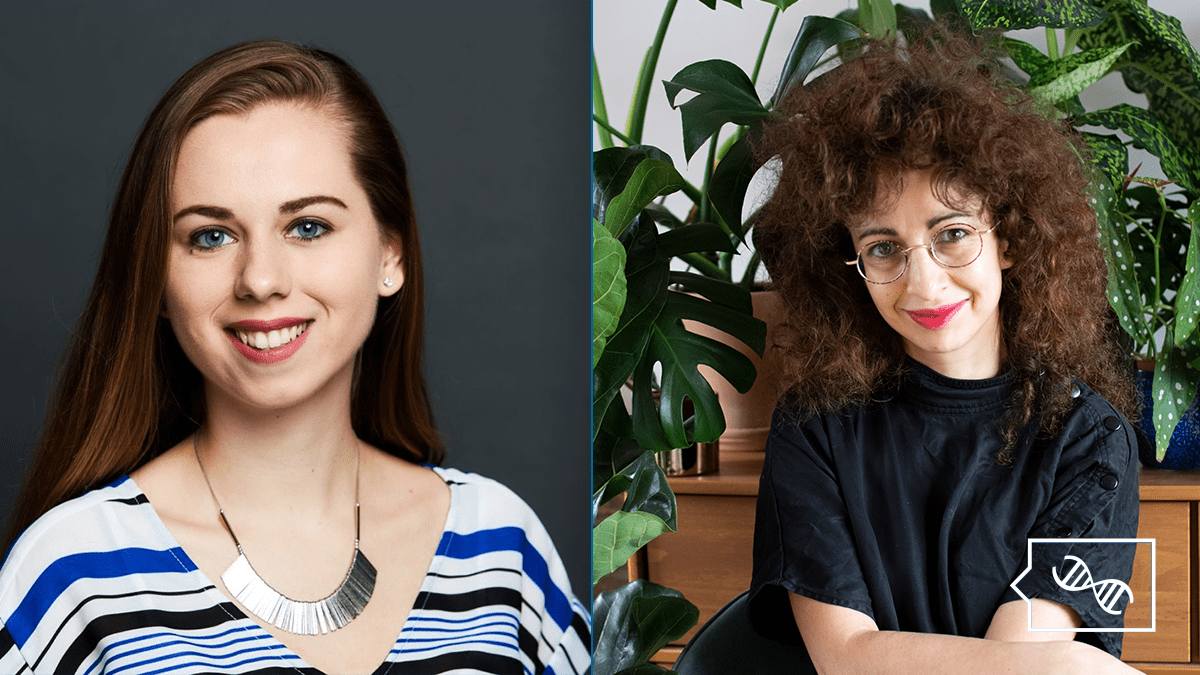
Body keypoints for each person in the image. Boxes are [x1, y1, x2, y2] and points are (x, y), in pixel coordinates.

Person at [0, 40, 590, 675]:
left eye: (308, 226)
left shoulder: (502, 548)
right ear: (157, 283)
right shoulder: (73, 572)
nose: (260, 279)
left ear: (390, 254)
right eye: (210, 236)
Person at [746, 30, 1144, 674]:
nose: (923, 281)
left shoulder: (1089, 439)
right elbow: (846, 658)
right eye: (882, 247)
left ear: (1010, 237)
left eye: (953, 233)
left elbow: (1013, 665)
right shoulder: (812, 429)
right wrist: (1082, 670)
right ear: (850, 265)